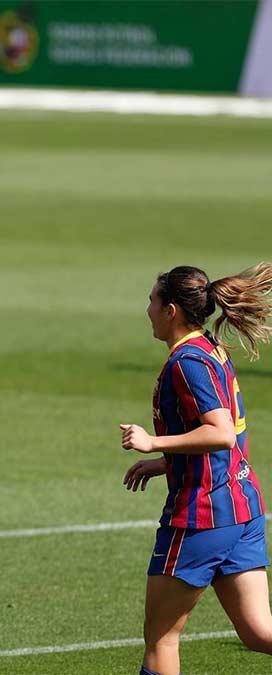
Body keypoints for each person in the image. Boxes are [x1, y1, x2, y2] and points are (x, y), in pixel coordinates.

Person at [119, 263, 272, 675]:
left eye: (152, 301)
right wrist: (165, 464)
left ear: (171, 311)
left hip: (201, 517)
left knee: (161, 639)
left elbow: (221, 433)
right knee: (259, 632)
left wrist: (154, 442)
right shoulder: (210, 347)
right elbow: (233, 438)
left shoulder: (187, 362)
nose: (147, 309)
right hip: (242, 507)